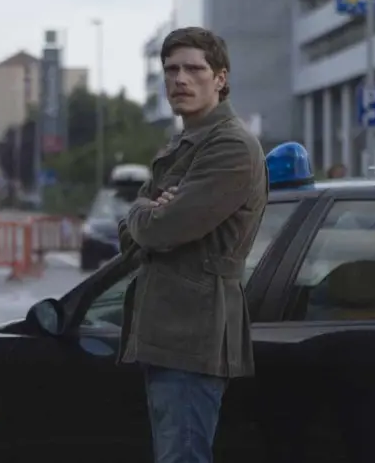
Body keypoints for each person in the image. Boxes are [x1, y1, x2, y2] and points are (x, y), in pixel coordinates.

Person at [117, 27, 268, 463]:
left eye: (193, 69)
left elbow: (159, 230)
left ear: (220, 78)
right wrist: (147, 212)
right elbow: (130, 237)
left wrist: (145, 213)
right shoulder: (186, 142)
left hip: (193, 333)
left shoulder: (231, 145)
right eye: (171, 70)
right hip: (169, 331)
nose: (180, 79)